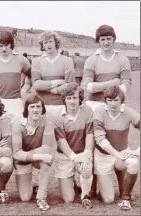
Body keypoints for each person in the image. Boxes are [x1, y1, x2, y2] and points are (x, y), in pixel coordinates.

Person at [82, 24, 132, 197]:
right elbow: (88, 86)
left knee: (117, 144)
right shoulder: (91, 60)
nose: (106, 42)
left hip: (115, 106)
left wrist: (113, 92)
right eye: (102, 39)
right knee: (94, 146)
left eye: (108, 38)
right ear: (98, 41)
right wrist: (111, 84)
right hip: (95, 106)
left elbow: (126, 84)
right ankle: (92, 187)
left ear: (113, 39)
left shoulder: (122, 59)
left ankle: (123, 189)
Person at [93, 85, 139, 211]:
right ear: (106, 101)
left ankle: (126, 198)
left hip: (122, 152)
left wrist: (137, 152)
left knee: (134, 163)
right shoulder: (99, 112)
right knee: (108, 199)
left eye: (116, 100)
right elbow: (100, 139)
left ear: (121, 101)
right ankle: (95, 184)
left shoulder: (129, 112)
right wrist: (117, 154)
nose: (113, 104)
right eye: (110, 100)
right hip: (103, 155)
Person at [11, 94, 55, 211]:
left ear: (42, 108)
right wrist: (35, 156)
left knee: (47, 159)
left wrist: (28, 155)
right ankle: (33, 183)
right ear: (26, 109)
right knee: (25, 197)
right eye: (32, 107)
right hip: (23, 159)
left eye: (38, 107)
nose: (35, 110)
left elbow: (46, 147)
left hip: (31, 156)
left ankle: (41, 197)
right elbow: (16, 153)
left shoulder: (48, 119)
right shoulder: (17, 122)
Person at [54, 85, 94, 209]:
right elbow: (61, 142)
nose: (72, 101)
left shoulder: (87, 111)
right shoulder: (57, 116)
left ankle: (85, 196)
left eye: (75, 98)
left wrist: (87, 153)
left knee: (86, 169)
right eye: (69, 98)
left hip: (82, 153)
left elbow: (90, 134)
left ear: (80, 98)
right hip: (65, 156)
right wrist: (73, 157)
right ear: (64, 99)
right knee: (68, 199)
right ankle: (74, 184)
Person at [0, 31, 31, 120]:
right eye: (1, 46)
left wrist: (25, 89)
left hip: (16, 103)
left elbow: (32, 77)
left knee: (16, 129)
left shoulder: (22, 60)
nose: (4, 49)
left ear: (11, 44)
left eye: (6, 45)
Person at [31, 31, 76, 116]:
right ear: (42, 45)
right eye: (45, 42)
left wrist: (47, 88)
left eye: (51, 41)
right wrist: (58, 82)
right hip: (42, 106)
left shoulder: (67, 61)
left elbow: (70, 85)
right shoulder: (36, 61)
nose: (48, 45)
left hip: (62, 106)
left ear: (56, 42)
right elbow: (36, 85)